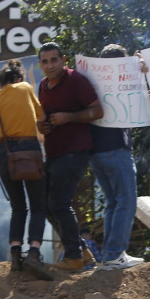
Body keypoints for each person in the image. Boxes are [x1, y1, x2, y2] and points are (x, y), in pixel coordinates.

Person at [0, 59, 53, 281]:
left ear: (1, 84)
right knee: (39, 206)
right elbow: (41, 118)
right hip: (30, 151)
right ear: (19, 79)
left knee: (18, 207)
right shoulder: (26, 87)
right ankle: (34, 252)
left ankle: (15, 254)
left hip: (6, 155)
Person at [37, 42, 104, 271]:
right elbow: (45, 119)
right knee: (45, 205)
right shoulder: (43, 86)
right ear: (40, 65)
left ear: (63, 60)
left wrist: (69, 117)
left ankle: (74, 256)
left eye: (54, 60)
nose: (50, 65)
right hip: (53, 152)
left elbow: (98, 111)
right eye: (45, 61)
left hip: (76, 151)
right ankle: (81, 252)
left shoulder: (76, 80)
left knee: (58, 203)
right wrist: (44, 126)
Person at [89, 44, 143, 270]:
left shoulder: (92, 83)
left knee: (113, 203)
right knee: (127, 202)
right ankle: (113, 254)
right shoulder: (119, 80)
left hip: (95, 152)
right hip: (116, 150)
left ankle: (109, 257)